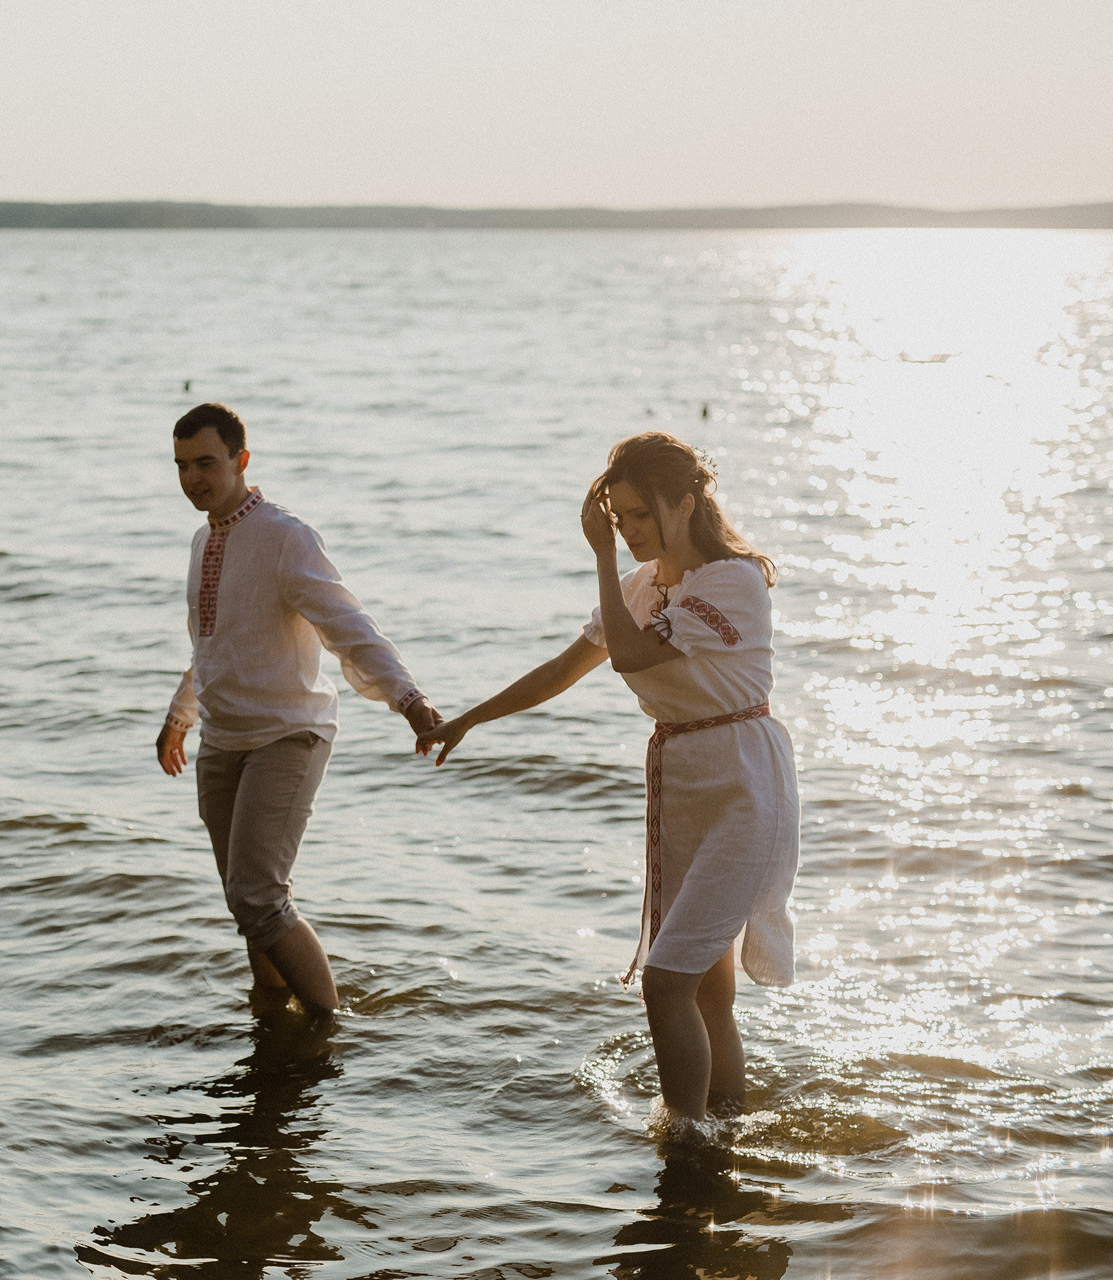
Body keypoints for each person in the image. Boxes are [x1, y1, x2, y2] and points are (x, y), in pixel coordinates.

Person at [417, 432, 798, 1124]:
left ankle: (683, 1139)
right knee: (704, 987)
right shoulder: (642, 586)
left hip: (744, 787)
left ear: (686, 504)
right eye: (617, 520)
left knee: (664, 981)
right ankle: (725, 1124)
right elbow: (563, 671)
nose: (627, 533)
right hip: (683, 784)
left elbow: (629, 655)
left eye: (641, 516)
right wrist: (469, 718)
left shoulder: (730, 582)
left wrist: (595, 556)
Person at [157, 403, 441, 1017]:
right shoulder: (203, 539)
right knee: (244, 899)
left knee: (259, 894)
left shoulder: (285, 536)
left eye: (206, 463)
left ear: (242, 460)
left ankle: (325, 1026)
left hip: (289, 735)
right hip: (223, 740)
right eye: (181, 466)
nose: (192, 479)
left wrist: (410, 700)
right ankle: (270, 1004)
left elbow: (348, 625)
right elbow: (210, 641)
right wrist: (181, 714)